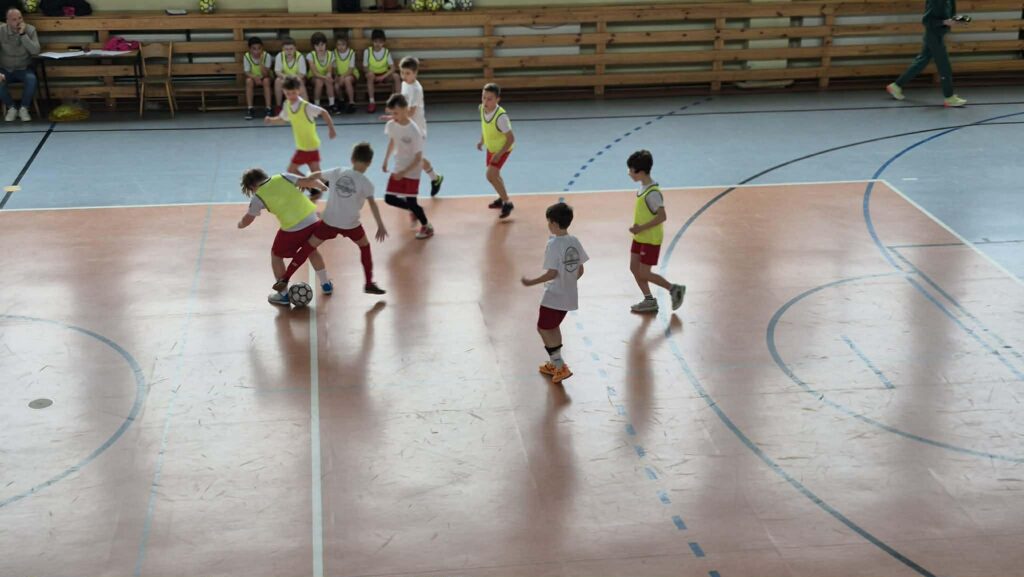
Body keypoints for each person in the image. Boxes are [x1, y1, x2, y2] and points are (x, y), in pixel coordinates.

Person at [273, 142, 388, 295]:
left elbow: (315, 174)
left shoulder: (338, 171)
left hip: (329, 223)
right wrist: (380, 225)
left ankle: (286, 278)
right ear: (369, 163)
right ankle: (368, 283)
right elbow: (373, 205)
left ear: (352, 159)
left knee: (308, 247)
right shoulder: (367, 184)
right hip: (351, 225)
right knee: (364, 246)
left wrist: (306, 182)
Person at [236, 168, 333, 306]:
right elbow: (308, 182)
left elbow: (248, 219)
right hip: (312, 220)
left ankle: (283, 294)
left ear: (251, 186)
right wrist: (321, 186)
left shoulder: (258, 198)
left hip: (293, 228)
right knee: (311, 250)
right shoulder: (283, 177)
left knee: (276, 255)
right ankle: (326, 284)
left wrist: (240, 224)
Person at [520, 202, 588, 385]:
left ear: (555, 224)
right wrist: (568, 283)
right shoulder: (574, 241)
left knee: (542, 328)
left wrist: (530, 282)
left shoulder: (554, 245)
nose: (548, 225)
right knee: (553, 327)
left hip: (553, 296)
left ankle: (559, 366)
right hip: (569, 296)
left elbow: (552, 273)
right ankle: (554, 363)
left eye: (549, 222)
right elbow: (580, 270)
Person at [625, 150, 685, 314]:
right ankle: (649, 300)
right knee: (633, 267)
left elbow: (662, 216)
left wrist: (640, 228)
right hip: (640, 237)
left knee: (645, 272)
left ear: (641, 171)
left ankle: (674, 289)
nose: (629, 173)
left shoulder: (653, 194)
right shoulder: (643, 188)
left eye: (631, 170)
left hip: (650, 239)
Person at [886, 0, 968, 107]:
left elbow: (950, 16)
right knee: (944, 66)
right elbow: (927, 21)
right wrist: (945, 22)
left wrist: (957, 20)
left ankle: (896, 86)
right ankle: (949, 97)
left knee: (921, 62)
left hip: (938, 35)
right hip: (933, 36)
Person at [382, 94, 433, 239]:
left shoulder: (414, 131)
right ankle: (415, 210)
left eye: (396, 113)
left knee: (411, 200)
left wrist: (404, 172)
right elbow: (392, 141)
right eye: (391, 113)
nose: (393, 116)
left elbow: (418, 158)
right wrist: (385, 160)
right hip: (399, 167)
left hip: (412, 171)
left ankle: (427, 226)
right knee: (389, 198)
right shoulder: (391, 125)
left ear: (405, 109)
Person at [264, 76, 337, 175]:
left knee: (291, 171)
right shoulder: (287, 105)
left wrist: (331, 129)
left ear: (299, 91)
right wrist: (271, 120)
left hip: (309, 146)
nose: (291, 96)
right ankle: (314, 186)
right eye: (288, 93)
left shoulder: (306, 106)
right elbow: (283, 119)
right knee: (315, 175)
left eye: (293, 93)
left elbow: (323, 112)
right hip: (303, 146)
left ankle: (311, 185)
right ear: (284, 92)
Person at [397, 57, 443, 196]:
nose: (404, 76)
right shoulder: (405, 84)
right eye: (402, 73)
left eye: (408, 73)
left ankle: (409, 189)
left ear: (415, 73)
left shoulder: (416, 89)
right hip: (407, 127)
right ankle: (435, 178)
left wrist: (397, 119)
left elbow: (411, 112)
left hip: (417, 129)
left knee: (413, 159)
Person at [478, 83, 515, 219]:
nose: (485, 101)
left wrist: (499, 154)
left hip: (502, 149)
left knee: (490, 175)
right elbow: (484, 125)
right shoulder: (482, 109)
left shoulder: (501, 117)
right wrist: (482, 140)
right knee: (495, 175)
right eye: (483, 97)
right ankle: (502, 198)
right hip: (491, 148)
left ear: (497, 99)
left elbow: (511, 139)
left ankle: (507, 203)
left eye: (489, 99)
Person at [0, 7, 40, 122]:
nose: (18, 22)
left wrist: (23, 35)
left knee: (31, 79)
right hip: (4, 68)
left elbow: (35, 51)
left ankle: (24, 108)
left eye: (20, 18)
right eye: (13, 19)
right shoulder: (1, 31)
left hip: (23, 68)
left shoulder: (30, 30)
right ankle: (11, 107)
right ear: (7, 21)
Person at [363, 29, 400, 113]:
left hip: (383, 75)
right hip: (372, 75)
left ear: (383, 42)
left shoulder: (386, 52)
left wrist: (383, 76)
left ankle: (398, 101)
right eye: (376, 41)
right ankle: (372, 102)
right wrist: (373, 75)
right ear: (372, 41)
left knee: (396, 76)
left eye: (380, 42)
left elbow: (393, 68)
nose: (378, 44)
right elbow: (365, 68)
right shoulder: (367, 52)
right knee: (370, 75)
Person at [305, 32, 337, 113]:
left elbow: (329, 71)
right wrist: (326, 77)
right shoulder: (310, 55)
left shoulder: (331, 54)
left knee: (328, 80)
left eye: (322, 44)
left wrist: (328, 76)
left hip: (325, 76)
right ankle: (316, 105)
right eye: (317, 45)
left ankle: (332, 104)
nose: (320, 47)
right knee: (319, 81)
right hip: (313, 77)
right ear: (313, 46)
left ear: (326, 44)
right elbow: (315, 73)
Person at [243, 36, 273, 120]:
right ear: (249, 49)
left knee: (266, 81)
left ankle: (268, 108)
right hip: (254, 77)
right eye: (254, 49)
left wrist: (260, 62)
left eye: (259, 48)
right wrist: (255, 77)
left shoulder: (266, 56)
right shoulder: (246, 56)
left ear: (262, 48)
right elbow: (247, 72)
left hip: (265, 77)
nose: (257, 51)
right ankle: (250, 108)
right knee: (248, 81)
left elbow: (266, 73)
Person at [273, 37, 307, 112]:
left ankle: (305, 107)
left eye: (291, 49)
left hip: (296, 78)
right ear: (283, 49)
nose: (289, 51)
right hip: (285, 78)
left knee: (300, 80)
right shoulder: (280, 56)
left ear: (295, 49)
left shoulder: (299, 57)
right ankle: (278, 107)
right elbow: (277, 71)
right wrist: (285, 77)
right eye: (286, 49)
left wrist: (293, 79)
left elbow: (302, 74)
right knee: (277, 81)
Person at [332, 33, 359, 113]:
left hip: (351, 74)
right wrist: (336, 76)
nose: (341, 47)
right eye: (338, 44)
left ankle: (351, 103)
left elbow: (351, 69)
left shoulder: (351, 53)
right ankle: (341, 101)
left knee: (347, 80)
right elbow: (334, 67)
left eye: (343, 44)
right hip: (340, 75)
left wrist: (342, 77)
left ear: (347, 44)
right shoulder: (334, 53)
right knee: (336, 86)